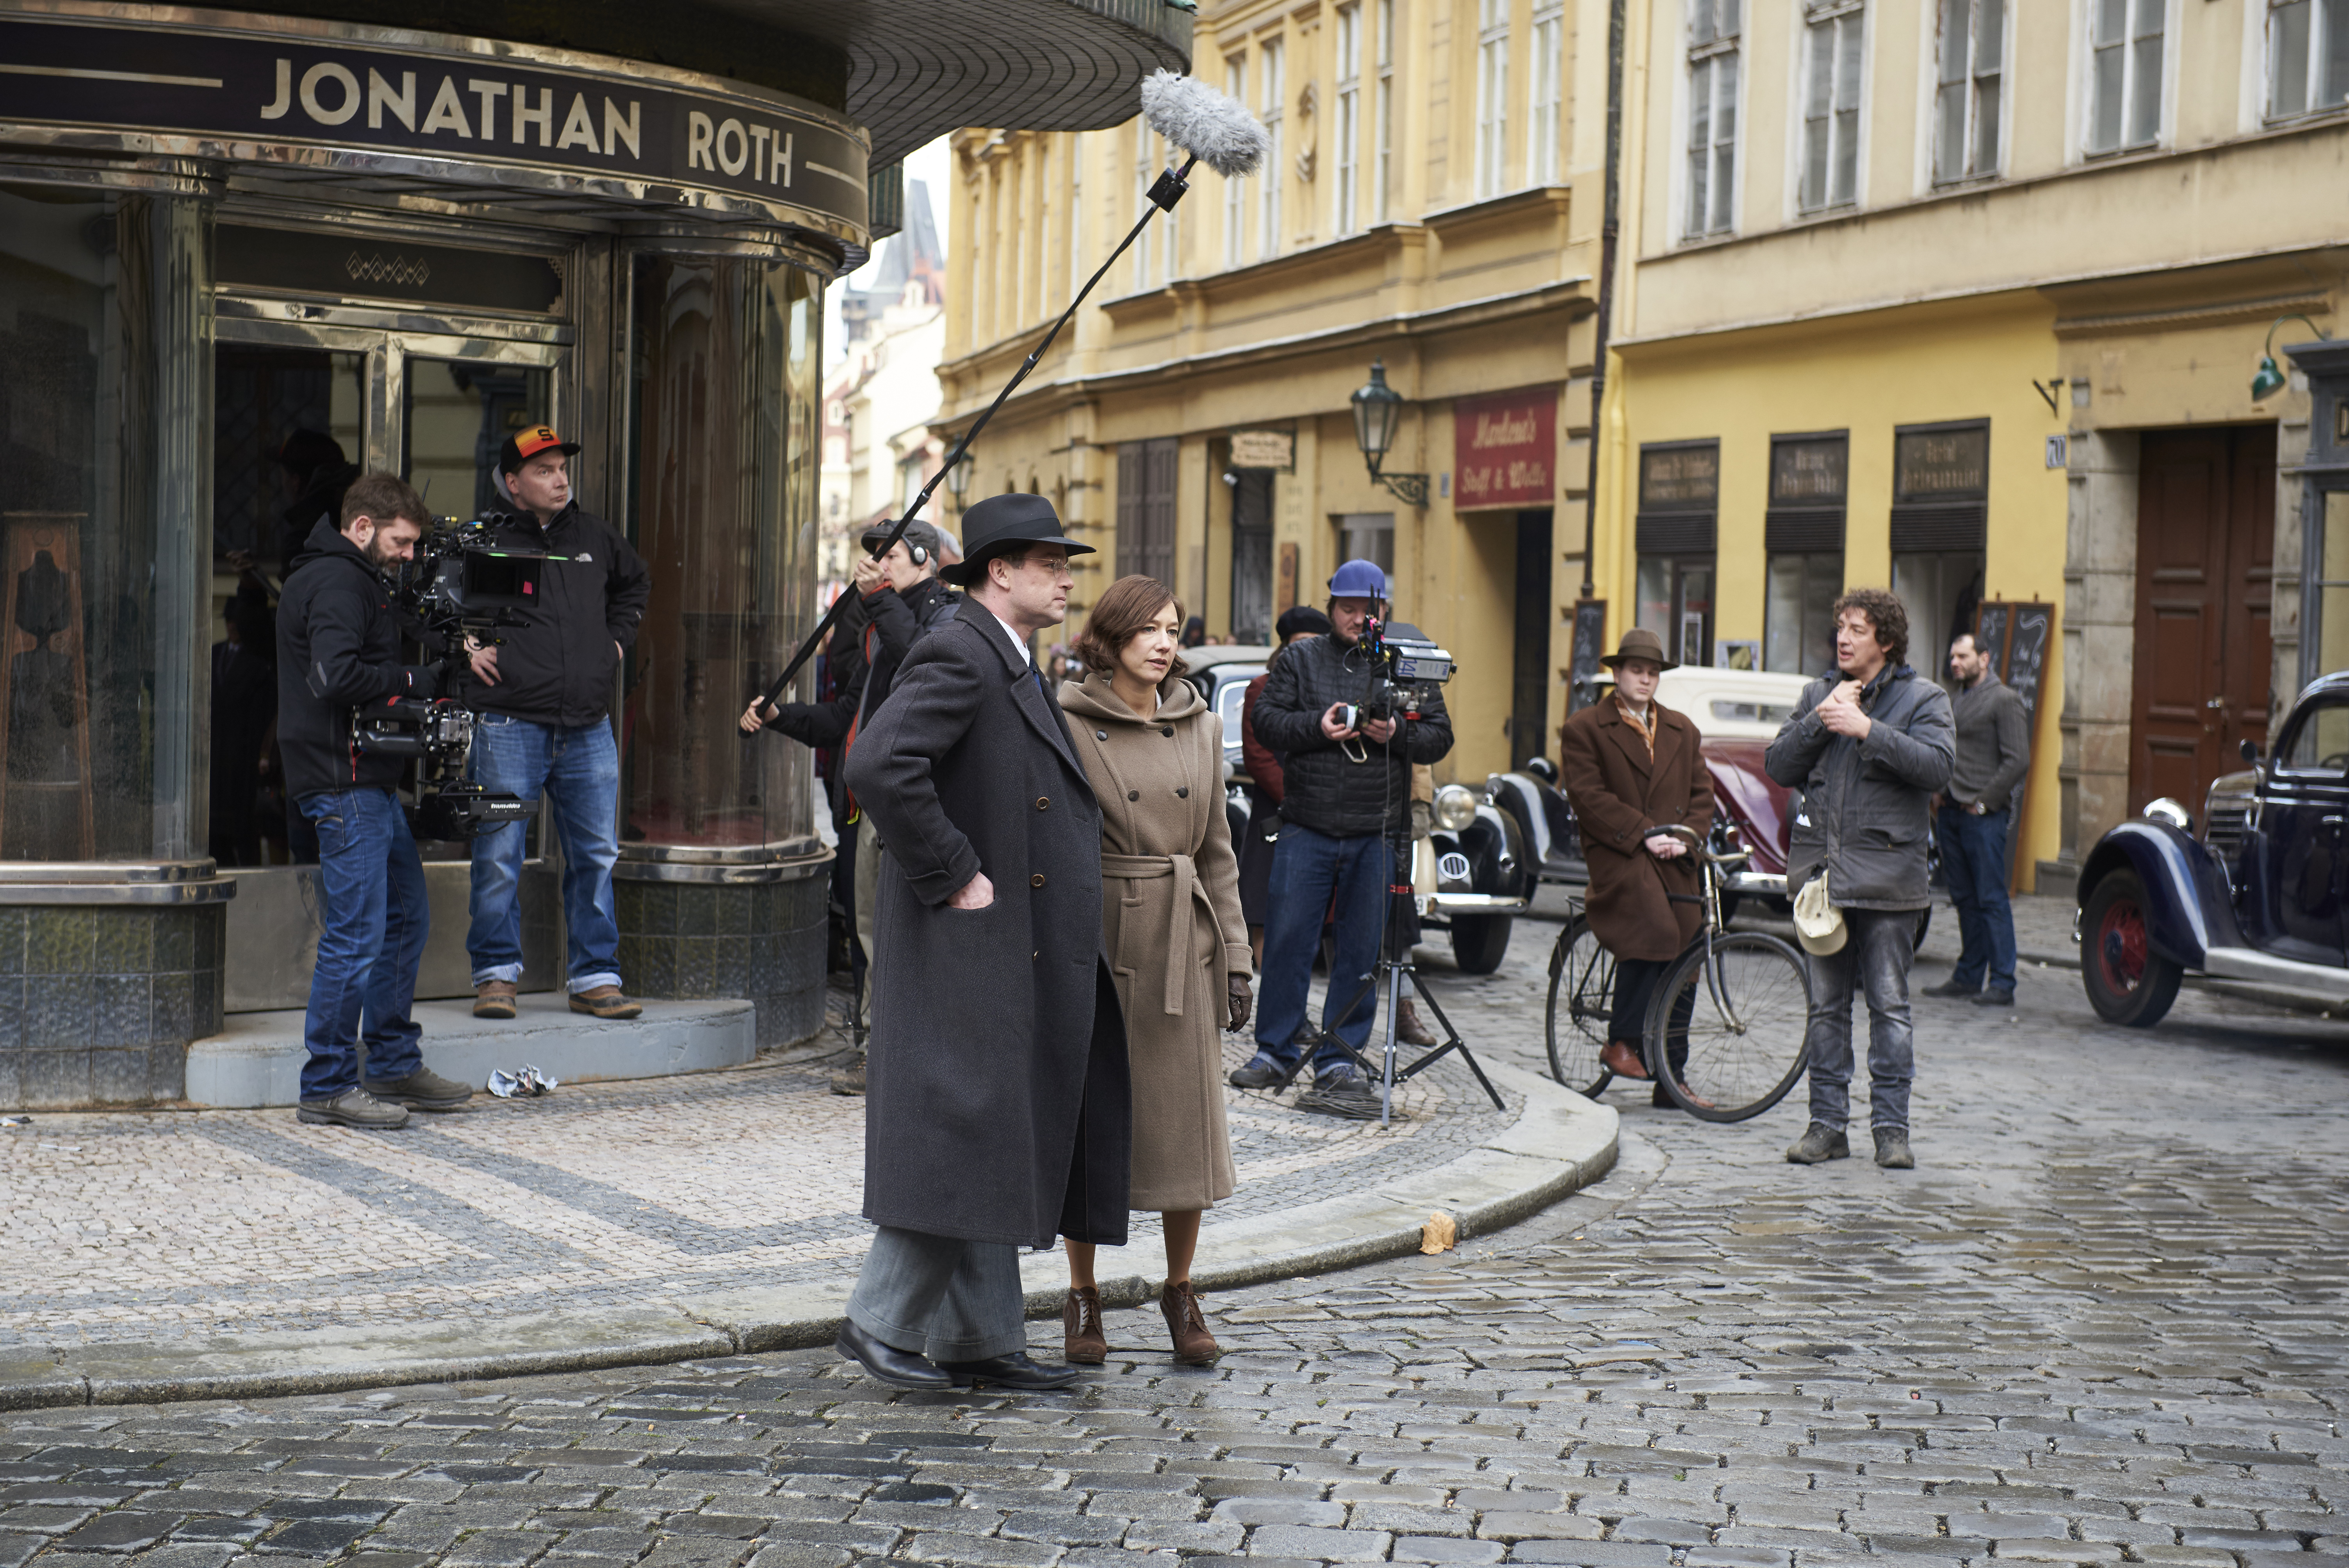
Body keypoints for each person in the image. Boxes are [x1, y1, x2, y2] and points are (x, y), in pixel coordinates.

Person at [832, 492, 1130, 1394]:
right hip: (969, 941)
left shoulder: (1001, 654)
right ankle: (877, 1319)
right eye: (1050, 563)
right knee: (963, 1128)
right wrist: (954, 868)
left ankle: (980, 1336)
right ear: (1000, 571)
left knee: (998, 1129)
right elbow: (877, 762)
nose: (1067, 576)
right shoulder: (962, 649)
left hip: (1005, 943)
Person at [1057, 575, 1253, 1369]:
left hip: (1182, 934)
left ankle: (1178, 1288)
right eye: (1147, 629)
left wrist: (1236, 956)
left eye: (1172, 628)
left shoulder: (1198, 725)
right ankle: (1083, 1293)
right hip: (1103, 935)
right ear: (1111, 636)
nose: (1163, 642)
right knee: (1091, 1124)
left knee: (1184, 1133)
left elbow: (1216, 853)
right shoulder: (1068, 720)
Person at [275, 474, 476, 1129]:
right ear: (362, 528)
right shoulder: (335, 581)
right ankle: (328, 1083)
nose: (410, 556)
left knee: (403, 922)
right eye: (401, 542)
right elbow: (336, 676)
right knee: (358, 933)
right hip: (343, 782)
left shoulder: (354, 579)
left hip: (368, 784)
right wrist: (414, 678)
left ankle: (391, 1064)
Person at [740, 519, 960, 1094]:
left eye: (890, 556)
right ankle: (877, 1045)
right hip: (865, 805)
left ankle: (890, 1053)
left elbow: (920, 658)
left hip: (904, 804)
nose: (878, 566)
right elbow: (846, 720)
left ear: (923, 559)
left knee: (890, 935)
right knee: (868, 933)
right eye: (875, 558)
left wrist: (879, 600)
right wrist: (781, 716)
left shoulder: (942, 616)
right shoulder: (878, 620)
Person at [1234, 559, 1455, 1114]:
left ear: (1385, 612)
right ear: (1332, 608)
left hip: (1375, 830)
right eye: (1348, 609)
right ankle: (1275, 1050)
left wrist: (1397, 731)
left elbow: (1439, 737)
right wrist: (1319, 725)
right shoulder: (1301, 659)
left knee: (1359, 950)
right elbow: (1266, 724)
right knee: (1288, 941)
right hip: (1307, 824)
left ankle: (1338, 1058)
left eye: (1369, 610)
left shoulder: (1407, 662)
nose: (1359, 618)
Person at [461, 424, 652, 1022]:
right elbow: (434, 603)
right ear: (513, 482)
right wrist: (466, 646)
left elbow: (635, 585)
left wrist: (615, 646)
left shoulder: (595, 536)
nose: (560, 477)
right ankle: (496, 976)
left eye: (562, 466)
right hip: (508, 722)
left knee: (595, 855)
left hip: (588, 726)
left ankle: (595, 976)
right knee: (499, 855)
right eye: (544, 470)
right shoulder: (483, 538)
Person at [1765, 588, 1954, 1171]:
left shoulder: (1926, 698)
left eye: (1858, 629)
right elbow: (1778, 766)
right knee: (1826, 1010)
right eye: (1841, 627)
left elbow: (1939, 768)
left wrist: (1867, 728)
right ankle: (1826, 1128)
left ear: (1887, 641)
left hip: (1891, 881)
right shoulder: (1818, 694)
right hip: (1825, 883)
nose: (1843, 638)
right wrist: (1822, 724)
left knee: (1891, 1010)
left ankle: (1891, 1133)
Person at [1556, 628, 1715, 1109]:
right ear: (1617, 673)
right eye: (1636, 671)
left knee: (1690, 942)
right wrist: (1645, 832)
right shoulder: (1585, 727)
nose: (1645, 679)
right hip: (1619, 851)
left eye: (1652, 672)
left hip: (1674, 854)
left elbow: (1700, 795)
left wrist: (1685, 837)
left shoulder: (1682, 729)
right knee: (1652, 919)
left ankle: (1671, 1076)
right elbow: (1589, 797)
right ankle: (1623, 1040)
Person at [1923, 631, 2030, 1007]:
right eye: (1953, 657)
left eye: (1963, 656)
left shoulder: (2005, 700)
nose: (1955, 663)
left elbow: (2018, 759)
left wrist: (1984, 803)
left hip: (1982, 817)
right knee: (1965, 898)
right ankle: (1969, 975)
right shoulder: (1957, 699)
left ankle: (2003, 981)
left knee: (1991, 898)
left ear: (1984, 659)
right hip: (1951, 812)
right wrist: (1939, 792)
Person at [1238, 606, 1331, 968]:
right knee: (1265, 911)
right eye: (1299, 644)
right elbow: (1258, 757)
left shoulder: (1330, 688)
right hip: (1277, 811)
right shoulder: (1262, 688)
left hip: (1325, 813)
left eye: (1314, 644)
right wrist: (1300, 797)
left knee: (1325, 918)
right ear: (1285, 647)